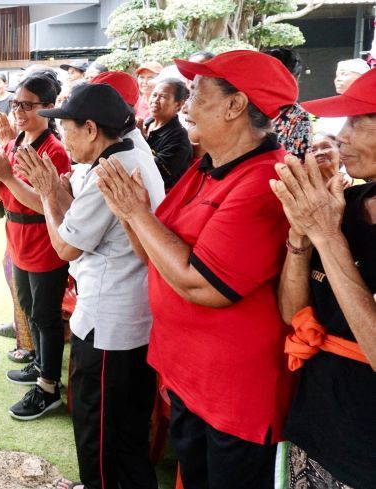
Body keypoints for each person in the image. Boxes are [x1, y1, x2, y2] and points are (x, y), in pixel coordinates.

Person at [93, 50, 297, 489]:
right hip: (190, 376)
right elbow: (154, 254)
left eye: (198, 96)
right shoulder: (207, 168)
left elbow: (203, 285)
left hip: (234, 392)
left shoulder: (264, 181)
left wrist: (136, 213)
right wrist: (132, 215)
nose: (186, 106)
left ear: (235, 105)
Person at [17, 81, 165, 489]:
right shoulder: (131, 152)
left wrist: (48, 193)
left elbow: (65, 245)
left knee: (98, 435)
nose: (61, 136)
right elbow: (80, 230)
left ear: (90, 128)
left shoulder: (108, 171)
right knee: (127, 436)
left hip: (108, 327)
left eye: (64, 126)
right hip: (132, 320)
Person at [271, 67, 376, 489]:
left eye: (361, 123)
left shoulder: (333, 220)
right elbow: (294, 313)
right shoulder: (345, 202)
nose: (343, 135)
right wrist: (300, 234)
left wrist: (327, 237)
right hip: (318, 419)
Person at [0, 69, 71, 420]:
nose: (19, 111)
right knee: (30, 309)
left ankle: (49, 386)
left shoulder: (55, 150)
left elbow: (46, 204)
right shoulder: (14, 142)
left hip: (44, 241)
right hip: (17, 239)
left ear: (49, 108)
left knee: (46, 316)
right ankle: (39, 364)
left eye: (28, 105)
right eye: (16, 103)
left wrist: (4, 176)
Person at [144, 78, 193, 190]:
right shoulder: (146, 123)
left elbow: (155, 175)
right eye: (154, 94)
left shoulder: (179, 139)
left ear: (179, 105)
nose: (155, 100)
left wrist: (139, 139)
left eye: (163, 97)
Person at [315, 58, 371, 135]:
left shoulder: (370, 108)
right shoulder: (331, 110)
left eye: (344, 74)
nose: (337, 79)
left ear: (362, 77)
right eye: (337, 75)